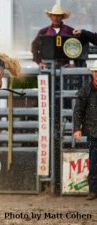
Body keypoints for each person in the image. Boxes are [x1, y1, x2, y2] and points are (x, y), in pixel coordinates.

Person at [73, 60, 97, 200]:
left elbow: (78, 111)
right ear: (91, 73)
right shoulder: (86, 90)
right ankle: (93, 190)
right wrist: (77, 128)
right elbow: (78, 111)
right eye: (95, 72)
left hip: (92, 129)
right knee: (93, 163)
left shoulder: (86, 90)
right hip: (93, 132)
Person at [31, 4, 74, 69]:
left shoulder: (70, 31)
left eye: (58, 16)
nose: (56, 18)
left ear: (62, 17)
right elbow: (34, 46)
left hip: (65, 67)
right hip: (47, 67)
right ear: (51, 17)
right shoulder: (43, 32)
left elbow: (78, 47)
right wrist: (39, 62)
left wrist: (74, 64)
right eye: (54, 15)